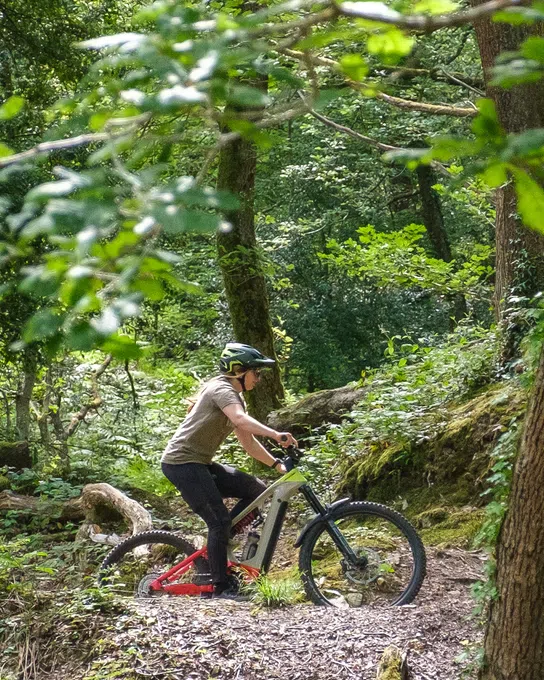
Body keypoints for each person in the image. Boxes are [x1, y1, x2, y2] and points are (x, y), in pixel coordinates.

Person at [161, 342, 298, 599]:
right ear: (238, 371)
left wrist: (276, 464)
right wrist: (276, 435)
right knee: (218, 521)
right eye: (256, 373)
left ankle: (220, 543)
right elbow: (239, 420)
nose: (259, 378)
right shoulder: (222, 389)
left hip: (199, 463)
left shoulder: (234, 397)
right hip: (181, 464)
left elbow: (247, 443)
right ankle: (220, 587)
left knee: (255, 489)